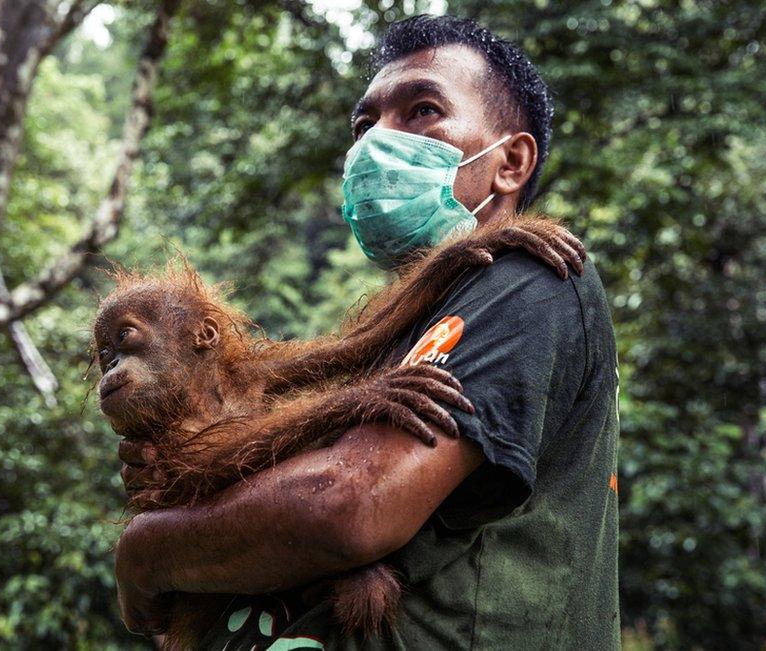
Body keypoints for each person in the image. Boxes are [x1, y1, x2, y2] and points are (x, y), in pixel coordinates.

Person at [114, 14, 620, 649]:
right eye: (363, 125)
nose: (374, 143)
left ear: (511, 161)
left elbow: (347, 505)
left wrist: (149, 548)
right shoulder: (396, 332)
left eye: (422, 110)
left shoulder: (527, 278)